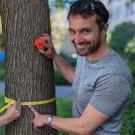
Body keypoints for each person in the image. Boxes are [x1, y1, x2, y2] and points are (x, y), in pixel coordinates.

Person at [29, 0, 132, 134]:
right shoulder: (86, 52)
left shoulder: (114, 76)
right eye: (72, 31)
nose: (77, 40)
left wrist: (46, 119)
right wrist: (54, 56)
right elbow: (80, 79)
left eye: (85, 31)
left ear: (104, 28)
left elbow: (84, 127)